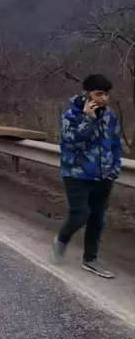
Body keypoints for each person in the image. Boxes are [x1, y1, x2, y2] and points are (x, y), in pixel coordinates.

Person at [52, 74, 122, 279]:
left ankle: (90, 259)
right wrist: (89, 119)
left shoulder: (110, 117)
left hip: (103, 177)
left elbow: (116, 146)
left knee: (97, 219)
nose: (103, 98)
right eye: (98, 94)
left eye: (106, 94)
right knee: (81, 213)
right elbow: (72, 141)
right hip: (76, 174)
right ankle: (61, 240)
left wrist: (114, 169)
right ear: (87, 94)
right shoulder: (70, 115)